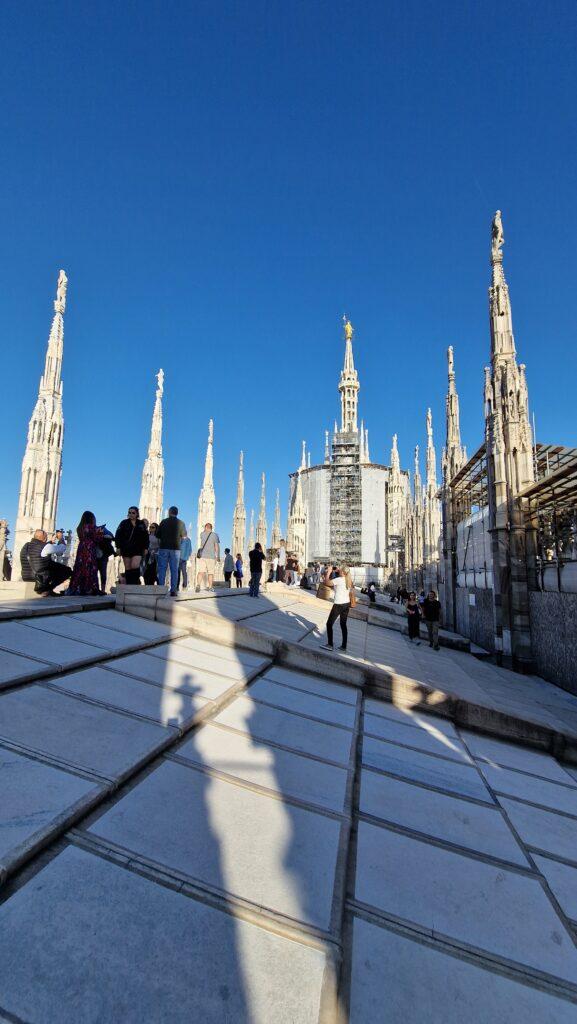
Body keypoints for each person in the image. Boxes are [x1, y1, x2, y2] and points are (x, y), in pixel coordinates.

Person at [20, 529, 72, 595]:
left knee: (52, 565)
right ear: (44, 538)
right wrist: (61, 538)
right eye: (46, 538)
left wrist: (50, 542)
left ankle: (49, 589)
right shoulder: (45, 547)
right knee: (67, 571)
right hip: (40, 578)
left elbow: (40, 550)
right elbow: (62, 548)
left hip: (26, 576)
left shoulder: (26, 546)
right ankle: (48, 589)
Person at [69, 511, 106, 596]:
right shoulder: (91, 527)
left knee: (80, 567)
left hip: (81, 547)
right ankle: (90, 588)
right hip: (89, 548)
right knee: (90, 567)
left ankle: (78, 588)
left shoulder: (80, 528)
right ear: (91, 518)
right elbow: (97, 539)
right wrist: (100, 532)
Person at [321, 565, 353, 652]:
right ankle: (344, 646)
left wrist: (329, 572)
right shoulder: (348, 579)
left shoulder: (339, 579)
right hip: (346, 604)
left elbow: (326, 582)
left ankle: (330, 645)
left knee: (329, 624)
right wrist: (338, 571)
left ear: (342, 572)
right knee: (343, 625)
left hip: (339, 604)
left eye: (340, 570)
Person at [156, 506, 187, 597]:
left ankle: (161, 589)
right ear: (177, 513)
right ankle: (173, 590)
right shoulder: (181, 523)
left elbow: (158, 536)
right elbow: (184, 537)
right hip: (175, 549)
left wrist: (161, 544)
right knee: (174, 570)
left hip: (164, 548)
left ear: (169, 512)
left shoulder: (163, 522)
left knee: (162, 569)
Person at [115, 507, 149, 585]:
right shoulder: (124, 523)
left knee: (135, 565)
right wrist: (118, 547)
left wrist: (146, 548)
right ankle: (129, 584)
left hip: (137, 548)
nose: (131, 514)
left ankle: (135, 583)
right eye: (129, 512)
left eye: (133, 513)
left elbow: (146, 536)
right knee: (128, 568)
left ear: (137, 514)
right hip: (126, 548)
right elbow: (118, 535)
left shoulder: (141, 523)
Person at [196, 522, 220, 591]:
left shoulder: (202, 534)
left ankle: (198, 585)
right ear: (211, 528)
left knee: (201, 571)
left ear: (206, 527)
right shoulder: (215, 535)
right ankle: (210, 587)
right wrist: (217, 556)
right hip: (211, 557)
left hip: (202, 556)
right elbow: (216, 546)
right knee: (210, 573)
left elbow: (202, 540)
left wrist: (205, 529)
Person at [95, 525, 115, 595]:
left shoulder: (101, 531)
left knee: (98, 572)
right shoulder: (106, 532)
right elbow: (112, 538)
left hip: (100, 555)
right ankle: (101, 589)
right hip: (102, 556)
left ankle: (99, 589)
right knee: (102, 573)